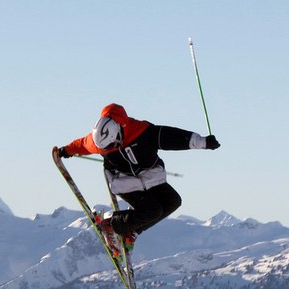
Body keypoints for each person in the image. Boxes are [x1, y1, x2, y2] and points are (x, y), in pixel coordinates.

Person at [55, 103, 220, 251]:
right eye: (106, 149)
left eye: (112, 145)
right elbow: (82, 144)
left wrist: (203, 142)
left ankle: (129, 232)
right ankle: (111, 225)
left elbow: (173, 137)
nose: (110, 149)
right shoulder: (98, 142)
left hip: (150, 176)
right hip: (122, 180)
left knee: (172, 201)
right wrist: (65, 150)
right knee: (152, 210)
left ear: (120, 131)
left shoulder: (143, 133)